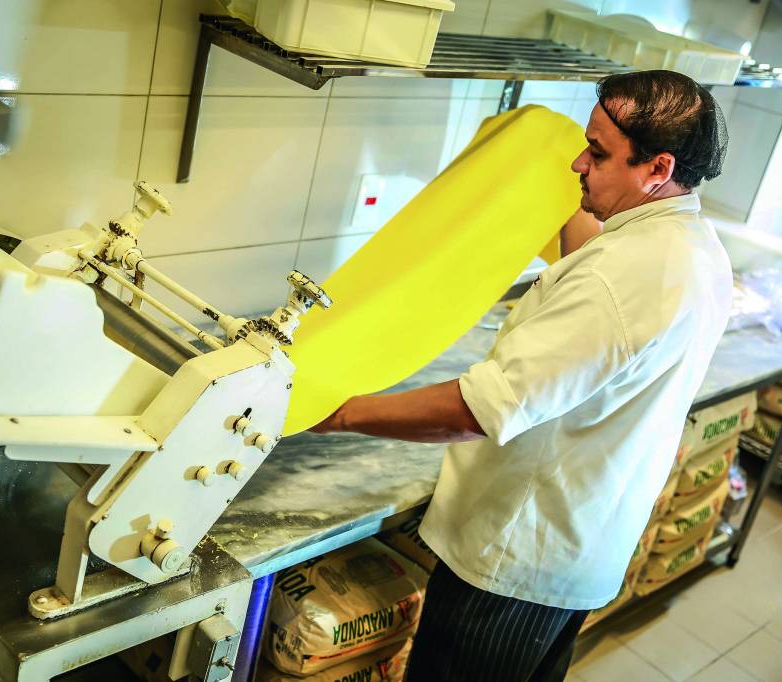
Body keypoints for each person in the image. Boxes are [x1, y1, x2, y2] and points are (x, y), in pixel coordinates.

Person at [309, 70, 732, 681]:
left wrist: (338, 412)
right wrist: (519, 182)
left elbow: (478, 410)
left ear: (658, 168)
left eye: (599, 153)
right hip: (578, 543)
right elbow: (594, 258)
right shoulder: (690, 246)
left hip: (518, 562)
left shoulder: (620, 278)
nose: (578, 164)